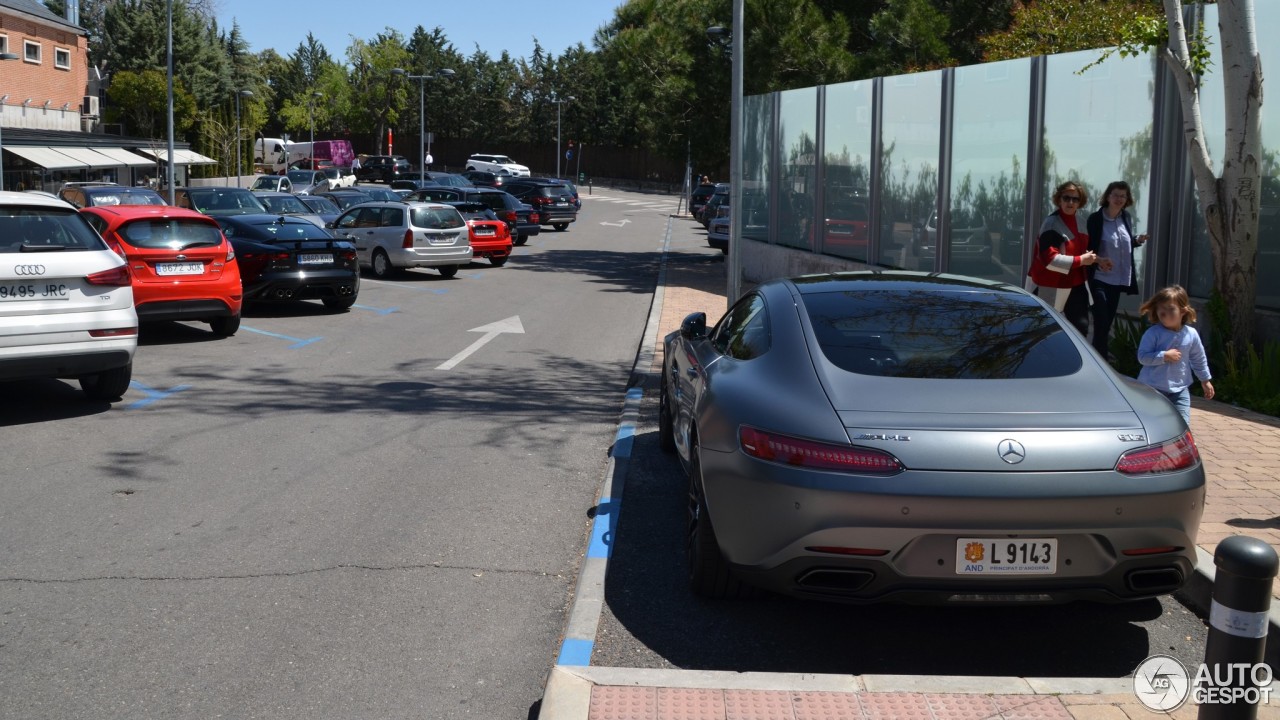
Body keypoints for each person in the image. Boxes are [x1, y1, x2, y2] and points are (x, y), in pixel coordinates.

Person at [1026, 180, 1098, 335]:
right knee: (1045, 331)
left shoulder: (1081, 222)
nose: (1070, 202)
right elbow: (1050, 261)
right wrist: (1081, 260)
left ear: (1080, 202)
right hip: (1051, 285)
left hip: (1077, 285)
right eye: (1066, 198)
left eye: (1075, 199)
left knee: (1081, 329)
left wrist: (1098, 260)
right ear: (1059, 199)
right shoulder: (1051, 223)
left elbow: (1082, 252)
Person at [1136, 285, 1214, 426]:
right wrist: (1164, 355)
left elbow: (1198, 358)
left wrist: (1205, 380)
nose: (1165, 314)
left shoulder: (1191, 334)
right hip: (1153, 389)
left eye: (1170, 309)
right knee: (1153, 424)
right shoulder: (1153, 333)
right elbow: (1142, 357)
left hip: (1180, 389)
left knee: (1182, 425)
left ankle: (1181, 447)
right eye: (1161, 310)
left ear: (1183, 311)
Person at [1087, 180, 1148, 359]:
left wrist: (1137, 240)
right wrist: (1098, 260)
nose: (1119, 199)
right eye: (1116, 195)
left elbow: (1123, 244)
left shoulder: (1126, 218)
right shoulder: (1096, 219)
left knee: (1106, 326)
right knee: (1101, 322)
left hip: (1117, 280)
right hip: (1098, 278)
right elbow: (1088, 247)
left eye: (1123, 196)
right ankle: (1101, 363)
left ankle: (1095, 360)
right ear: (1107, 197)